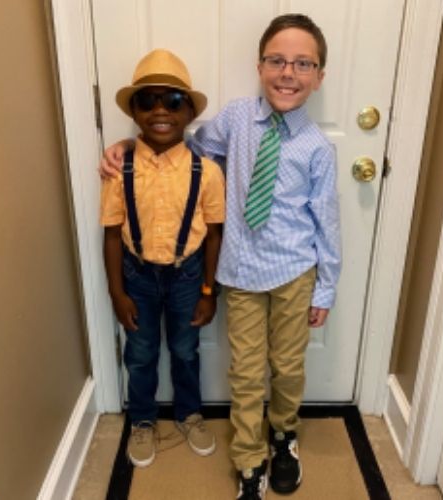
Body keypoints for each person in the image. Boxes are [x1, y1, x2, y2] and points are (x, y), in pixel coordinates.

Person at [101, 14, 341, 499]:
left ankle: (283, 434)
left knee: (288, 366)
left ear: (319, 76)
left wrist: (326, 286)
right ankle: (249, 459)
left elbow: (327, 223)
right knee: (247, 371)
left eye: (302, 64)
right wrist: (131, 144)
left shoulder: (317, 149)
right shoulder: (234, 118)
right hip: (242, 271)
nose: (288, 73)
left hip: (296, 270)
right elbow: (183, 150)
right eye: (277, 61)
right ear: (260, 65)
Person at [100, 49, 225, 468]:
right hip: (137, 276)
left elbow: (215, 235)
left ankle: (190, 413)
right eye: (147, 100)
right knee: (140, 351)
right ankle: (142, 420)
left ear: (188, 110)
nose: (160, 110)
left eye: (172, 101)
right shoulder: (120, 168)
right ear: (134, 110)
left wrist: (210, 291)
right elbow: (113, 233)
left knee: (187, 349)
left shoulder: (205, 171)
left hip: (189, 275)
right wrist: (117, 292)